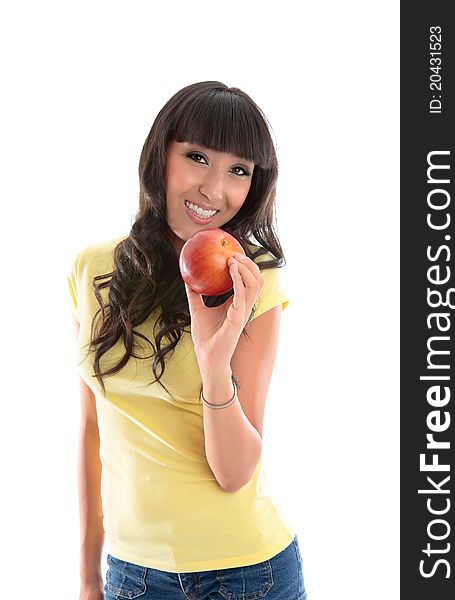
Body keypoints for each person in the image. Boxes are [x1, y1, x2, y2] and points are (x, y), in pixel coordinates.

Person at [68, 81, 307, 600]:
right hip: (131, 575)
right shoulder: (93, 269)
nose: (214, 190)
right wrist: (88, 577)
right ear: (161, 156)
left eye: (239, 170)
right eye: (197, 157)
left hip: (248, 575)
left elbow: (235, 472)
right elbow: (92, 432)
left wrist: (212, 359)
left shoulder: (253, 282)